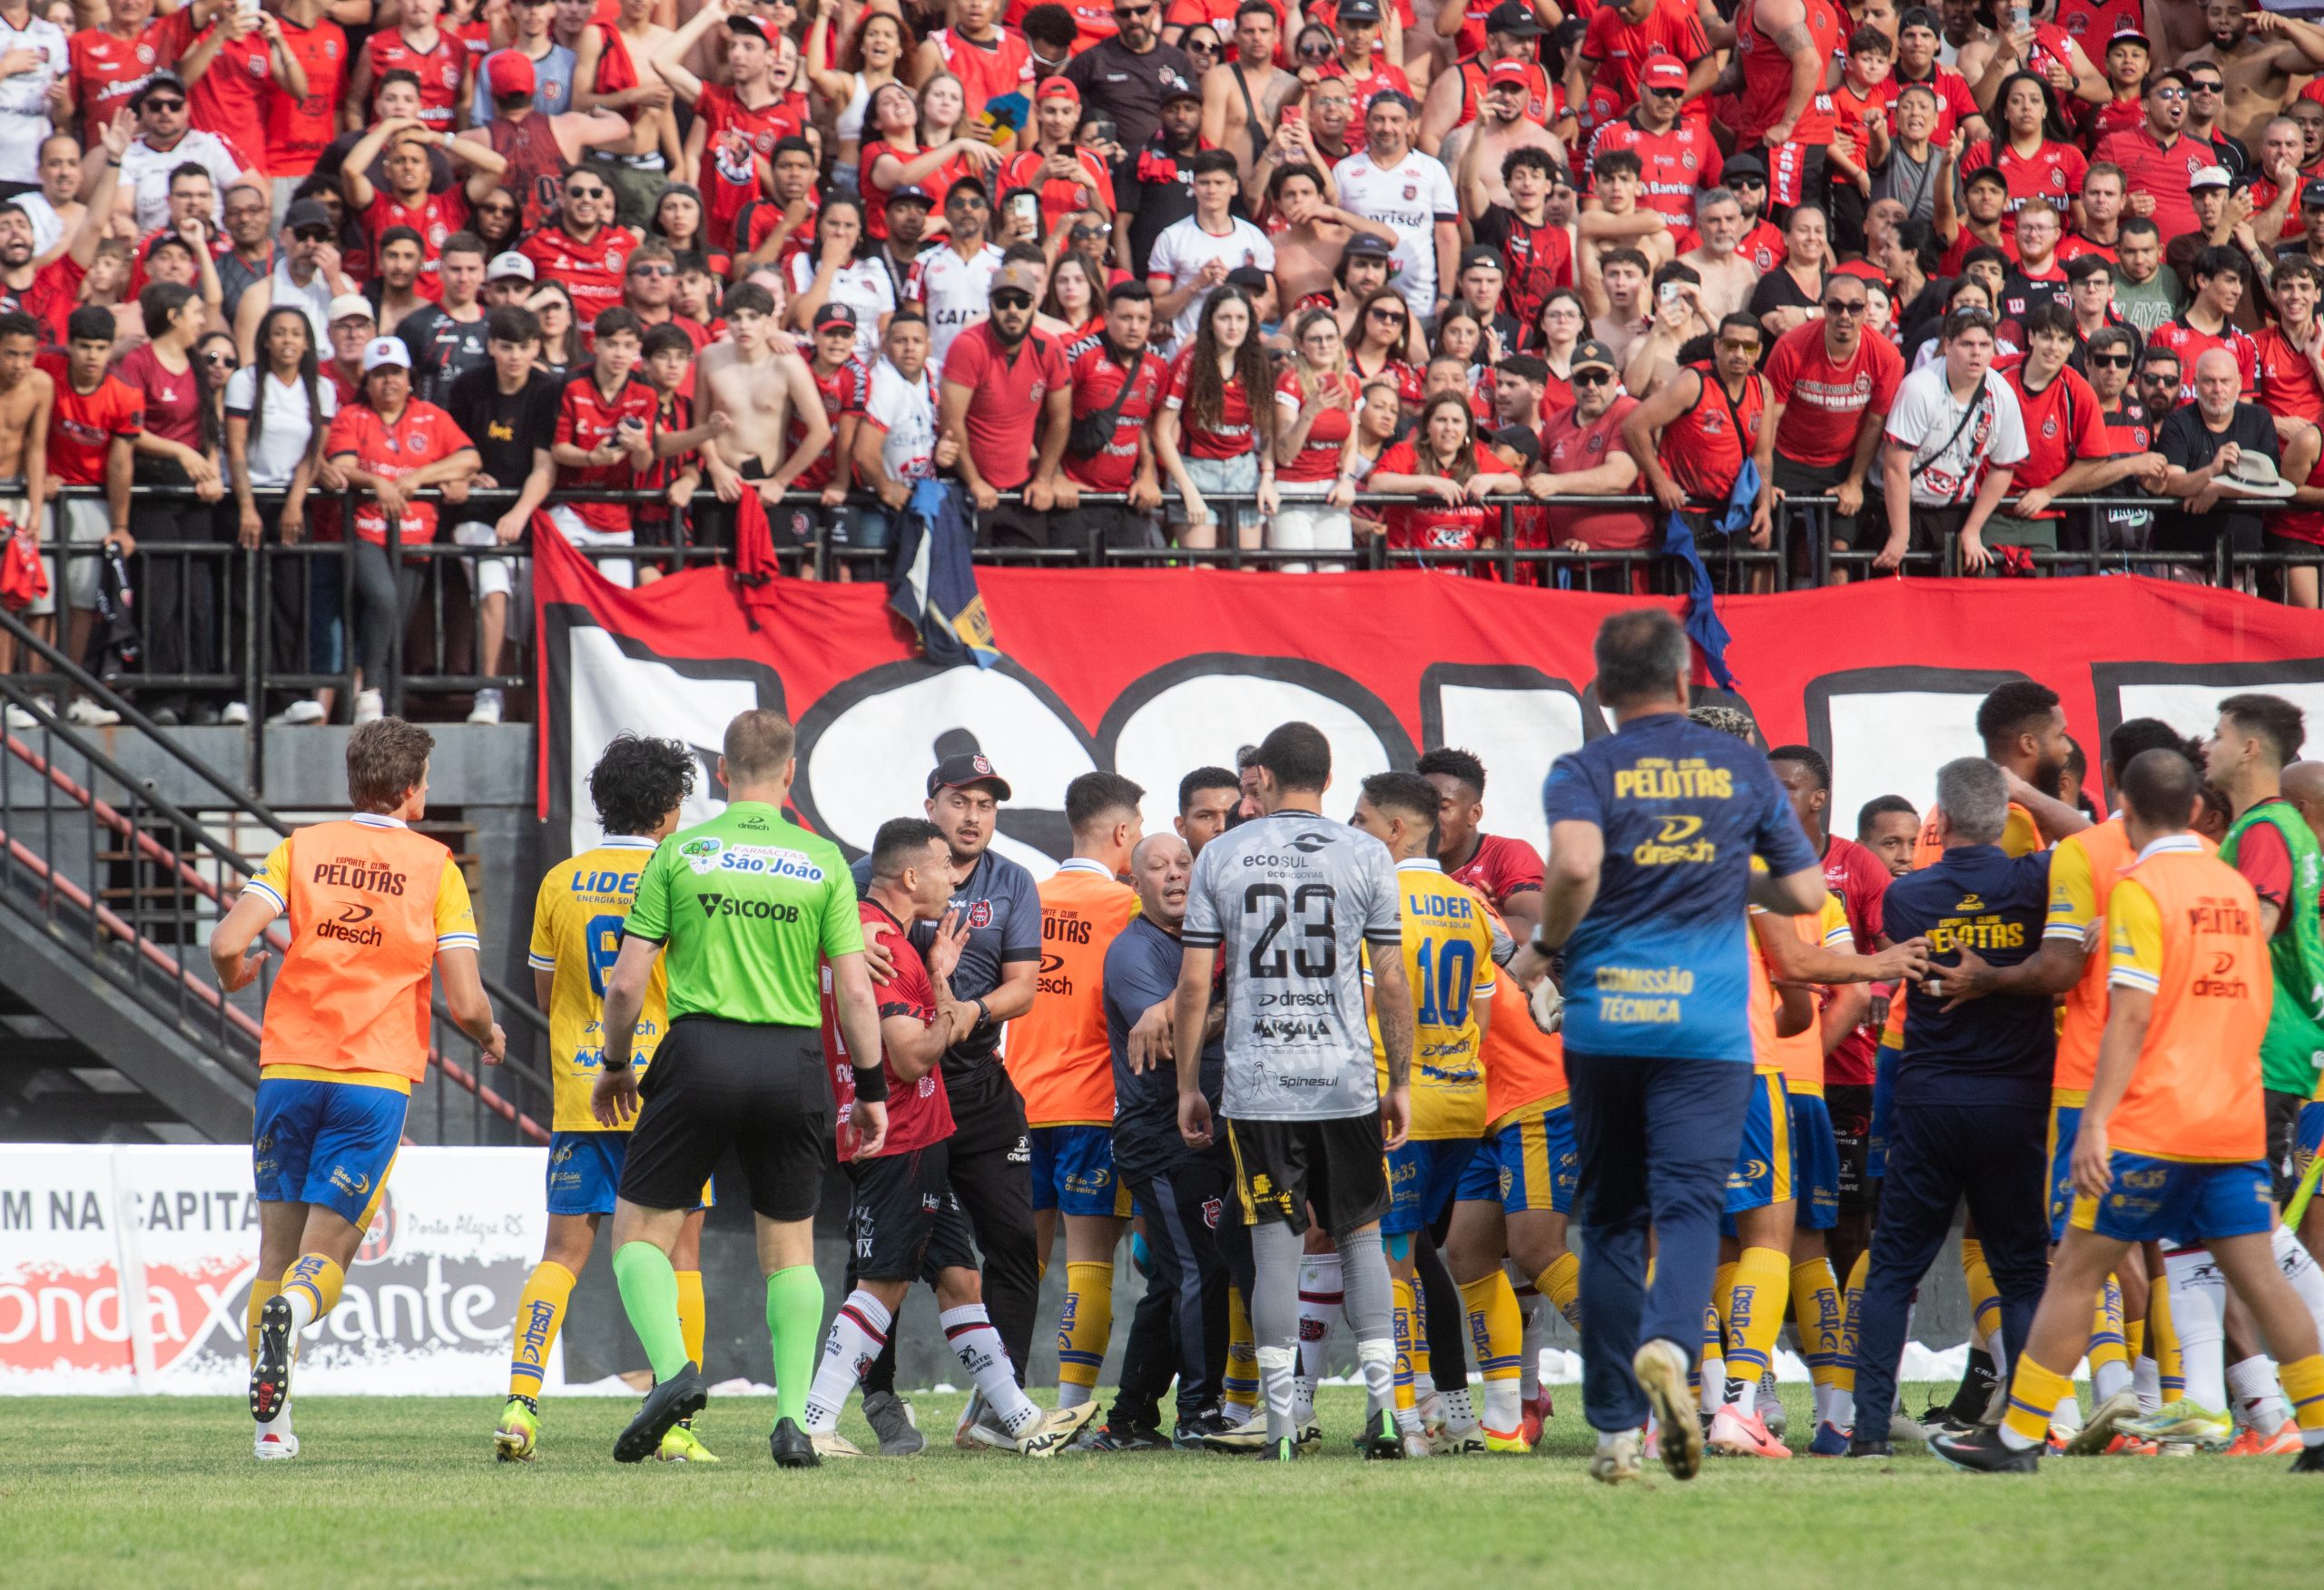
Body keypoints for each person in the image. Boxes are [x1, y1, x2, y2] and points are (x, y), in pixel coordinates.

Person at [1495, 608, 1823, 1484]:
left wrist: (1542, 952)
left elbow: (1571, 868)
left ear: (1600, 691)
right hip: (1709, 1033)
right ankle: (1677, 1354)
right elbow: (1801, 888)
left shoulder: (1584, 767)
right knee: (1688, 1210)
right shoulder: (1740, 767)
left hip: (1607, 1027)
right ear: (1686, 682)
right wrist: (1716, 869)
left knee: (1607, 1219)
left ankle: (1613, 1427)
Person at [1933, 748, 2324, 1476]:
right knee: (2262, 1279)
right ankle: (2320, 1427)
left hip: (2153, 1125)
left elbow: (2131, 1016)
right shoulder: (2236, 888)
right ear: (2198, 809)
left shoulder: (2140, 887)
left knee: (2077, 1272)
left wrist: (2101, 1122)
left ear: (2123, 802)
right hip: (2232, 1121)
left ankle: (2018, 1437)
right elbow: (2257, 1002)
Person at [586, 710, 881, 1469]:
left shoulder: (682, 852)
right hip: (791, 1061)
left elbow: (625, 986)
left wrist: (617, 1064)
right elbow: (854, 993)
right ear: (790, 773)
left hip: (700, 1053)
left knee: (638, 1236)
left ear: (722, 772)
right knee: (788, 1250)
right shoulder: (821, 861)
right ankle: (792, 1422)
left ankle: (676, 1372)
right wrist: (871, 1087)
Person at [212, 718, 504, 1461]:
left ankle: (270, 1434)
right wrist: (490, 1037)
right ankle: (297, 1312)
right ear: (407, 790)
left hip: (289, 1069)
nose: (427, 794)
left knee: (273, 1252)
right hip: (373, 1078)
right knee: (325, 1255)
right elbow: (466, 1002)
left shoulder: (299, 848)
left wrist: (237, 974)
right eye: (426, 784)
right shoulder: (437, 867)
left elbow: (224, 941)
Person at [803, 816, 1096, 1459]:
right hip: (900, 1135)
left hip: (916, 1134)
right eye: (941, 868)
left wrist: (937, 969)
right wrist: (944, 994)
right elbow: (910, 1056)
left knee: (962, 1278)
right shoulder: (883, 942)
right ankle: (815, 1420)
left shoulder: (868, 933)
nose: (951, 881)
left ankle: (1019, 1419)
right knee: (882, 1283)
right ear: (911, 876)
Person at [1171, 720, 1414, 1463]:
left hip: (1258, 1085)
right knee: (1362, 1237)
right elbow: (1392, 980)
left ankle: (1278, 1425)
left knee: (1274, 1248)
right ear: (1329, 783)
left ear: (1265, 780)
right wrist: (1398, 1078)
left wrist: (1189, 1084)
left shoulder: (1223, 855)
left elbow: (1191, 986)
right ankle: (1384, 1415)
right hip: (1344, 1081)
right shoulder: (1369, 853)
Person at [492, 733, 710, 1465]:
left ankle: (520, 1407)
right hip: (671, 1098)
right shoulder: (683, 874)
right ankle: (681, 1425)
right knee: (680, 1258)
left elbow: (549, 991)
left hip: (584, 1092)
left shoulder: (563, 879)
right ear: (671, 807)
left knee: (562, 1252)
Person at [1845, 756, 2055, 1458]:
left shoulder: (1909, 899)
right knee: (2022, 1269)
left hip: (1929, 1099)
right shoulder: (2036, 883)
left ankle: (1869, 1432)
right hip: (2014, 1101)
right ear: (2005, 815)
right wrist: (2027, 793)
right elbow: (2096, 841)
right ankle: (2028, 1429)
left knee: (1893, 1268)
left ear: (1940, 819)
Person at [847, 751, 1047, 1456]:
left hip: (977, 1084)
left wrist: (968, 1011)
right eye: (961, 801)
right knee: (881, 1255)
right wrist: (847, 950)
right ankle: (878, 1393)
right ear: (932, 807)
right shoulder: (868, 881)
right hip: (900, 1086)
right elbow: (833, 954)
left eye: (987, 804)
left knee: (1016, 1243)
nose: (974, 816)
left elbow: (1025, 986)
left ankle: (999, 1406)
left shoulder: (1014, 880)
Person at [1344, 770, 1500, 1453]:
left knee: (1394, 1262)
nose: (1353, 833)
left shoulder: (1377, 899)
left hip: (1397, 1107)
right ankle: (1459, 1414)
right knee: (1425, 1256)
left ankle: (1405, 1416)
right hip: (1465, 1103)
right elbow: (1484, 1013)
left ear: (1395, 829)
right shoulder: (1468, 906)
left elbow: (1368, 1006)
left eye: (1361, 821)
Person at [1002, 772, 1142, 1413]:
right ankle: (1069, 1410)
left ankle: (994, 1406)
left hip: (1019, 1107)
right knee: (1089, 1265)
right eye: (1137, 833)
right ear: (1121, 833)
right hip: (1092, 1109)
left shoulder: (1028, 896)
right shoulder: (1126, 908)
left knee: (1017, 1264)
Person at [2203, 696, 2324, 1204]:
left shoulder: (2265, 829)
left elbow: (2257, 923)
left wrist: (2165, 925)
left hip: (2265, 1048)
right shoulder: (2277, 827)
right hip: (2274, 1043)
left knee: (2258, 1216)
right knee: (2241, 1218)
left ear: (2249, 748)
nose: (2208, 747)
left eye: (2218, 735)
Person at [323, 334, 478, 724]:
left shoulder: (431, 415)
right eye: (379, 374)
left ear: (409, 377)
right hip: (367, 530)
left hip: (416, 534)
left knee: (397, 622)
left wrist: (423, 476)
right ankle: (371, 692)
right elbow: (340, 466)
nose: (388, 381)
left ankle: (382, 709)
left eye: (395, 373)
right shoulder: (351, 416)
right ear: (368, 380)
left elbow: (470, 457)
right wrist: (377, 483)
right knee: (383, 599)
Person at [446, 303, 556, 728]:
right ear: (491, 346)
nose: (514, 356)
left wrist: (520, 512)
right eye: (506, 346)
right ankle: (488, 693)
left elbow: (546, 466)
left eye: (523, 347)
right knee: (494, 590)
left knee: (525, 615)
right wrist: (467, 474)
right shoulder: (469, 387)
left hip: (528, 517)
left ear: (536, 349)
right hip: (476, 515)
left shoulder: (548, 390)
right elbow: (452, 448)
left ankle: (525, 701)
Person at [223, 302, 332, 729]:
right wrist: (247, 506)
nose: (288, 341)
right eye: (280, 333)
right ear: (266, 340)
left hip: (292, 501)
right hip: (248, 498)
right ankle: (240, 695)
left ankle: (287, 696)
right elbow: (235, 450)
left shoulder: (320, 389)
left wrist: (295, 502)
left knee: (291, 599)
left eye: (296, 334)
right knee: (244, 598)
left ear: (307, 343)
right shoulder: (245, 382)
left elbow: (313, 452)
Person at [1756, 268, 1904, 560]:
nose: (1845, 316)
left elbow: (1875, 422)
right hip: (1786, 455)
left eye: (1854, 307)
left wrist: (1855, 482)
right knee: (1766, 546)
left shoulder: (1887, 356)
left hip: (1842, 461)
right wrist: (1765, 481)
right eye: (1835, 306)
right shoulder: (1790, 346)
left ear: (1865, 312)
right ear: (1823, 308)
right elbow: (1770, 417)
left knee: (1839, 554)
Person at [36, 306, 138, 728]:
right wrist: (37, 473)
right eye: (84, 347)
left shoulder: (125, 393)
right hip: (43, 492)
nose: (92, 357)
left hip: (92, 496)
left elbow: (120, 464)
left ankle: (71, 690)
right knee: (39, 595)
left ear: (111, 349)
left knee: (81, 601)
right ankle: (35, 690)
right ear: (69, 345)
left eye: (100, 348)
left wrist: (119, 524)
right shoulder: (45, 365)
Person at [1876, 307, 2026, 573]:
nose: (1976, 352)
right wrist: (1900, 535)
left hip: (1955, 509)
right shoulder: (1920, 388)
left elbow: (2004, 466)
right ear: (1947, 345)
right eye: (1966, 344)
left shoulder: (2002, 394)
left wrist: (1973, 529)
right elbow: (1895, 465)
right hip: (1902, 505)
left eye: (1984, 345)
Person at [1622, 312, 1769, 578]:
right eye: (1730, 344)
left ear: (1758, 351)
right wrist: (1660, 481)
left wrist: (1764, 507)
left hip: (1732, 515)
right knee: (1681, 608)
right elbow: (1634, 425)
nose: (1739, 353)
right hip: (1685, 513)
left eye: (1747, 347)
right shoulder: (1692, 383)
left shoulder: (1762, 387)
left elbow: (1762, 457)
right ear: (1717, 346)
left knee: (1733, 606)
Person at [939, 258, 1072, 545]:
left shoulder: (1050, 347)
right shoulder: (968, 345)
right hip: (967, 483)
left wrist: (1044, 478)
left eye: (1021, 302)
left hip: (1022, 483)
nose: (1013, 310)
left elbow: (1061, 419)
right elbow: (952, 422)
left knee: (1028, 577)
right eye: (1003, 301)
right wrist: (974, 481)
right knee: (968, 583)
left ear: (1034, 304)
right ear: (990, 304)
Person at [1154, 284, 1275, 551]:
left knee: (1245, 571)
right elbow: (1162, 432)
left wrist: (1267, 477)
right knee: (1201, 570)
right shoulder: (1190, 361)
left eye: (1241, 319)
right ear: (1210, 322)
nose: (1233, 327)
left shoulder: (1258, 363)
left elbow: (1267, 431)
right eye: (1224, 318)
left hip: (1243, 471)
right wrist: (1186, 488)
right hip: (1195, 469)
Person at [2154, 345, 2285, 562]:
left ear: (2240, 383)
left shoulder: (2259, 419)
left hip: (2243, 563)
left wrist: (2219, 489)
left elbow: (2272, 484)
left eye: (2225, 381)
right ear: (2195, 384)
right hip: (2182, 561)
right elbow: (2171, 484)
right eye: (2209, 381)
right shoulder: (2178, 422)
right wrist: (2212, 470)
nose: (2218, 389)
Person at [1334, 92, 1457, 320]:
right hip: (1359, 305)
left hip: (1418, 304)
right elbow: (1333, 236)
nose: (1386, 127)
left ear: (1410, 125)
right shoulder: (1345, 170)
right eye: (1379, 119)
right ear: (1367, 123)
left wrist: (1446, 296)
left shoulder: (1431, 170)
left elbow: (1447, 236)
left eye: (1395, 120)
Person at [1148, 149, 1275, 348]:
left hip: (1239, 351)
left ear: (1233, 187)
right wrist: (1196, 284)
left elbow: (1272, 310)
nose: (1212, 190)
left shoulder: (1254, 239)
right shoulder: (1172, 238)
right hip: (1186, 351)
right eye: (1204, 183)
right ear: (1193, 187)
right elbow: (1155, 310)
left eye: (1219, 183)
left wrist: (1233, 285)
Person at [1064, 0, 1194, 155]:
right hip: (1115, 163)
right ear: (1114, 16)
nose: (1134, 19)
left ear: (1155, 10)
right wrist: (1081, 147)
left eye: (1142, 10)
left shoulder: (1177, 59)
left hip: (1168, 163)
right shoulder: (1093, 60)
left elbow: (1195, 112)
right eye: (1124, 13)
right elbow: (1059, 100)